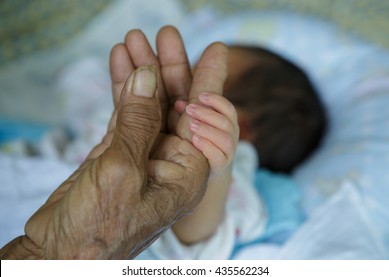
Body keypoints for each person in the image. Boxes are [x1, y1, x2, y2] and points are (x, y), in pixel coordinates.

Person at [0, 26, 229, 259]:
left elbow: (198, 239)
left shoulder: (234, 162)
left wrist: (212, 175)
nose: (188, 87)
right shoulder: (125, 110)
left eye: (222, 95)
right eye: (192, 70)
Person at [145, 44, 327, 255]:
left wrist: (214, 176)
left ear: (238, 126)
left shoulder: (238, 167)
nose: (172, 85)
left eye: (192, 83)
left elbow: (197, 239)